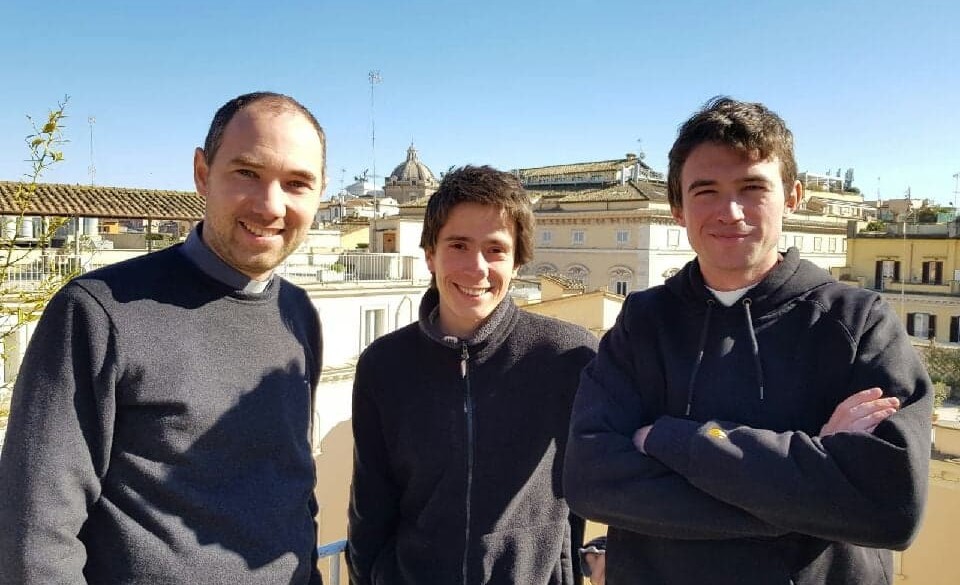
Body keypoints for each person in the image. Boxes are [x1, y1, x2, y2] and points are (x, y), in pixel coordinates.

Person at [564, 96, 932, 585]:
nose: (731, 212)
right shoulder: (643, 321)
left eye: (752, 187)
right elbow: (590, 480)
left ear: (793, 197)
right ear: (677, 209)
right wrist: (808, 492)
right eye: (706, 191)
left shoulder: (858, 322)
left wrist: (670, 439)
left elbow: (890, 506)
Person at [0, 92, 327, 584]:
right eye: (246, 173)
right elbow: (35, 535)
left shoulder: (297, 313)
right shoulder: (98, 312)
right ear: (202, 173)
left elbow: (293, 486)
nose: (270, 205)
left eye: (297, 183)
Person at [347, 165, 599, 585]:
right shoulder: (384, 365)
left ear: (518, 262)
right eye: (459, 245)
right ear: (430, 255)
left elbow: (610, 477)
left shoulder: (568, 356)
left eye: (495, 249)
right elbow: (369, 506)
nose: (476, 267)